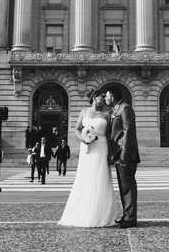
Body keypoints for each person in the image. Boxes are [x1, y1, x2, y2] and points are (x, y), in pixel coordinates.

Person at [58, 90, 116, 228]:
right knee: (84, 177)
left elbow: (109, 135)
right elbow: (77, 129)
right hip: (86, 147)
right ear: (95, 98)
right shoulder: (84, 111)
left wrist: (111, 154)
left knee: (99, 177)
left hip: (101, 147)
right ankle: (82, 212)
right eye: (102, 97)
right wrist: (83, 139)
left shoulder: (107, 114)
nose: (104, 99)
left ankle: (99, 214)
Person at [105, 86, 140, 229]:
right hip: (118, 155)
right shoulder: (116, 110)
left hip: (125, 155)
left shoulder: (125, 109)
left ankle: (131, 217)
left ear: (112, 98)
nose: (105, 98)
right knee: (123, 186)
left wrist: (124, 155)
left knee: (128, 187)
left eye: (107, 96)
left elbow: (128, 133)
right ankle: (127, 215)